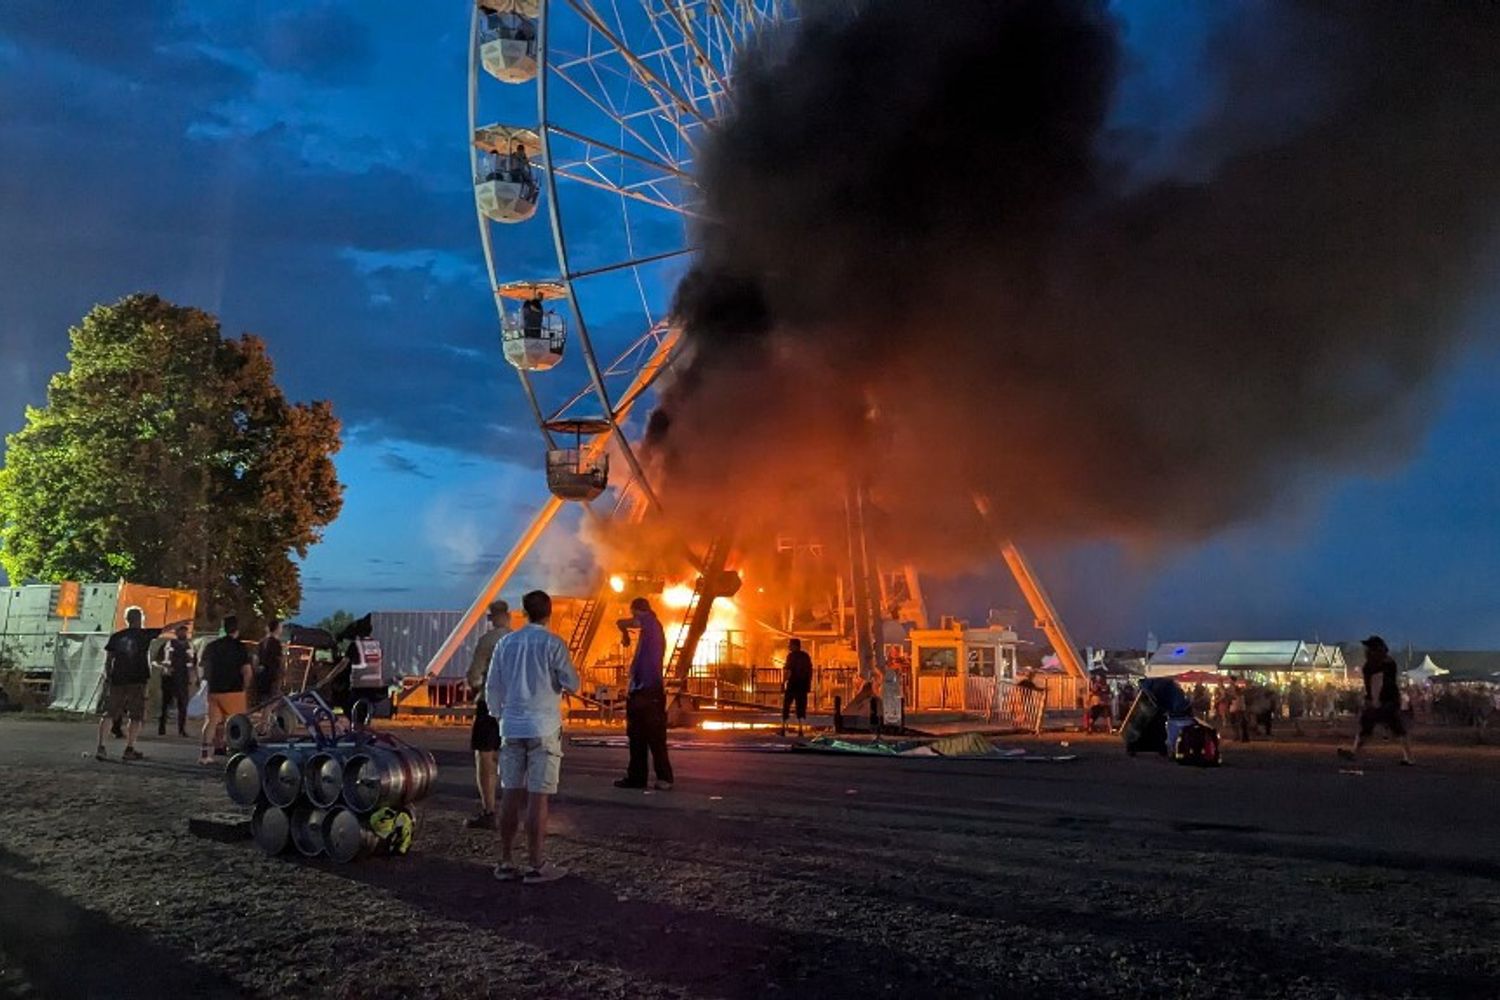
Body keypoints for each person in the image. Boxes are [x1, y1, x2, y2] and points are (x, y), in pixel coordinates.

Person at [485, 590, 580, 884]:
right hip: (543, 728)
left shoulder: (505, 643)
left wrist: (500, 716)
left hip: (511, 727)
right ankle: (537, 865)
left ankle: (505, 861)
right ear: (548, 613)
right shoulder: (553, 644)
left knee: (510, 794)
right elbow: (572, 684)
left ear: (523, 613)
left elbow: (492, 687)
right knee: (538, 797)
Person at [614, 597, 674, 790]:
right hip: (641, 691)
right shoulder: (650, 631)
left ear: (638, 610)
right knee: (637, 738)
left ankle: (663, 778)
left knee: (654, 737)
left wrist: (622, 627)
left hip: (649, 691)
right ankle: (637, 778)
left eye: (633, 612)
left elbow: (629, 622)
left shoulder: (651, 623)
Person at [465, 599, 512, 830]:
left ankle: (489, 810)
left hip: (489, 704)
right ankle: (513, 811)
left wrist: (477, 684)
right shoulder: (519, 641)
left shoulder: (487, 641)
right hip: (515, 707)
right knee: (512, 758)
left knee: (485, 756)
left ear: (492, 617)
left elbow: (474, 675)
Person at [96, 608, 160, 762]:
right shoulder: (144, 634)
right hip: (137, 679)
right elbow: (165, 629)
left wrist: (108, 675)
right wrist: (181, 623)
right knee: (136, 715)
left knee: (109, 713)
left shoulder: (117, 636)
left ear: (127, 619)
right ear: (140, 619)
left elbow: (109, 659)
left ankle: (102, 746)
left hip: (118, 679)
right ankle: (129, 748)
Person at [1340, 635, 1415, 766]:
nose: (1366, 651)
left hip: (1386, 701)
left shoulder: (1383, 664)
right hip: (1383, 701)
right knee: (1377, 726)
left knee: (1394, 727)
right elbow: (1372, 685)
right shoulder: (1376, 665)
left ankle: (1408, 757)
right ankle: (1408, 757)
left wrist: (1373, 701)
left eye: (1369, 648)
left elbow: (1378, 683)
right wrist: (1371, 700)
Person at [199, 617, 253, 766]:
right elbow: (247, 671)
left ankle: (205, 755)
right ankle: (235, 754)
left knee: (211, 721)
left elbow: (203, 667)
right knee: (237, 724)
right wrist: (246, 688)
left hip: (214, 689)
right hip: (234, 690)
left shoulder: (212, 646)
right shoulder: (240, 647)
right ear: (237, 630)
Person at [156, 624, 195, 737]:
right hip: (169, 677)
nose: (183, 634)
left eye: (185, 631)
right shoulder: (168, 644)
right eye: (181, 631)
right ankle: (161, 727)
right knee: (165, 704)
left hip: (183, 678)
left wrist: (192, 676)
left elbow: (193, 662)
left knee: (182, 704)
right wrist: (165, 667)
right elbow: (158, 660)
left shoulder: (189, 645)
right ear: (176, 632)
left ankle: (182, 729)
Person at [781, 638, 814, 737]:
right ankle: (800, 729)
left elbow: (788, 671)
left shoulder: (791, 656)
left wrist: (783, 683)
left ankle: (783, 728)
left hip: (793, 684)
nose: (789, 647)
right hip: (803, 686)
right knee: (801, 707)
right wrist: (808, 684)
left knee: (786, 705)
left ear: (795, 646)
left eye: (790, 645)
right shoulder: (806, 656)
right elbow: (809, 671)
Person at [256, 618, 284, 708]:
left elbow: (257, 657)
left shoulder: (262, 642)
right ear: (276, 629)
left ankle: (265, 719)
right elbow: (279, 659)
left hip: (262, 674)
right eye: (280, 627)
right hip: (272, 674)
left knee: (264, 699)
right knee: (273, 699)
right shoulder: (276, 643)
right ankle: (266, 719)